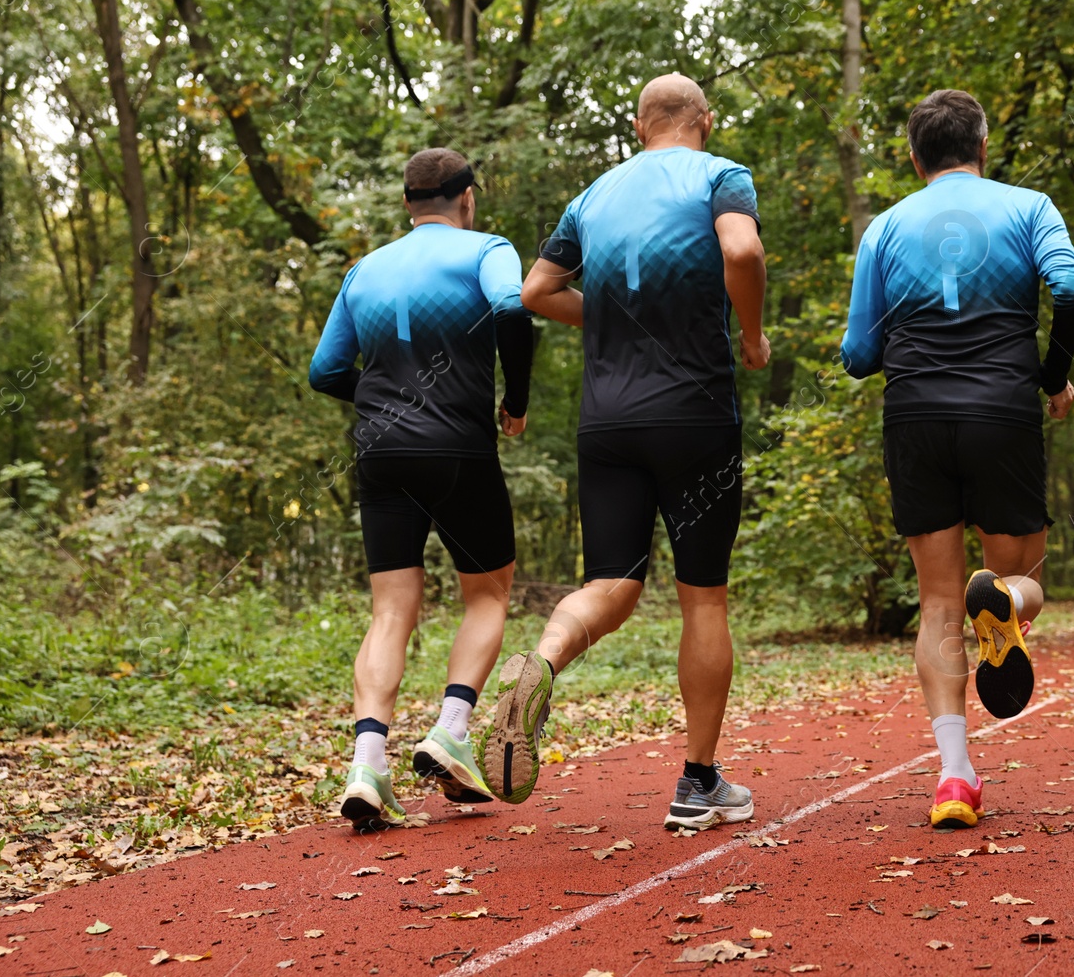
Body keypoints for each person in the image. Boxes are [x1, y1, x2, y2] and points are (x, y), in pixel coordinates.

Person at [485, 73, 768, 831]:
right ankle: (698, 781)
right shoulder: (721, 176)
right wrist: (751, 333)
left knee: (612, 581)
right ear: (704, 120)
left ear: (639, 126)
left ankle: (541, 660)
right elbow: (741, 250)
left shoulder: (593, 195)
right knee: (702, 593)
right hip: (696, 414)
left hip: (606, 421)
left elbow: (534, 291)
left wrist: (610, 321)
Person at [839, 89, 1074, 829]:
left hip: (915, 416)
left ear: (915, 158)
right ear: (982, 148)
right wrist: (1052, 372)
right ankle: (1008, 606)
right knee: (1020, 577)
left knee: (940, 603)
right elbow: (1071, 287)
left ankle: (954, 777)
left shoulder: (885, 227)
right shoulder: (1029, 206)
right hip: (1003, 411)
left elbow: (857, 356)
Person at [308, 147, 534, 831]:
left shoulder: (363, 270)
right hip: (458, 447)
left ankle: (367, 761)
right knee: (489, 591)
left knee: (390, 610)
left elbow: (325, 370)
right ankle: (452, 727)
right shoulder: (485, 248)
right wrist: (513, 401)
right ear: (467, 199)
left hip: (381, 451)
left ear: (408, 203)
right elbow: (513, 313)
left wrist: (382, 399)